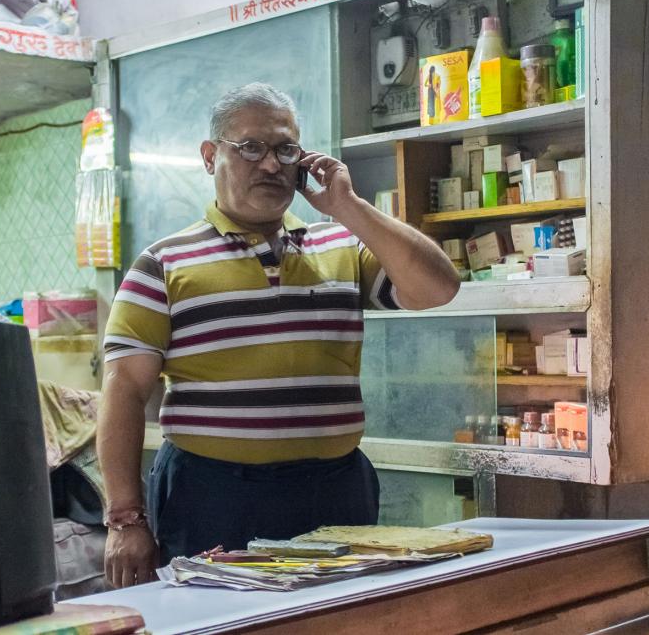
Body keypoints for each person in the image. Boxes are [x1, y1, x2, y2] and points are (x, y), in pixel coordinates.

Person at [98, 83, 461, 588]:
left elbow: (438, 288)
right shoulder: (162, 264)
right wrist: (125, 518)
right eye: (250, 147)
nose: (270, 165)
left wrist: (348, 207)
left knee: (341, 623)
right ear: (210, 156)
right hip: (214, 494)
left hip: (335, 489)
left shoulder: (341, 247)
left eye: (285, 149)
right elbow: (124, 390)